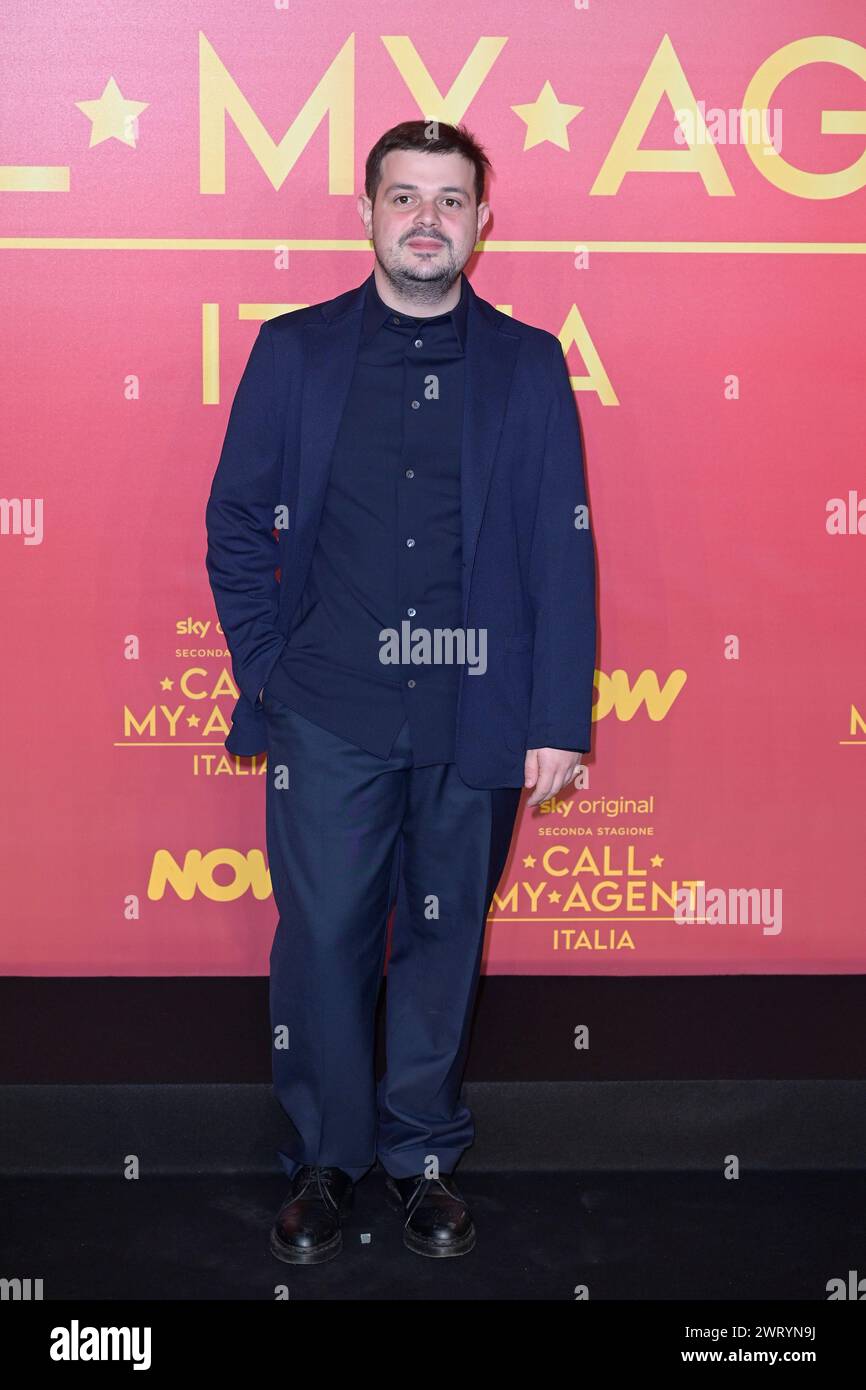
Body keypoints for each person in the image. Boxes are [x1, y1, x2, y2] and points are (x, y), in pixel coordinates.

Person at [205, 119, 596, 1263]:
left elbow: (557, 549)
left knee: (439, 943)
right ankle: (327, 1159)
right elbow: (237, 521)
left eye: (450, 200)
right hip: (327, 713)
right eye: (403, 197)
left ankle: (422, 1156)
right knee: (322, 938)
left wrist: (554, 720)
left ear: (481, 221)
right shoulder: (295, 352)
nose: (426, 219)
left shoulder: (527, 364)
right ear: (367, 211)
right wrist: (271, 671)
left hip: (474, 712)